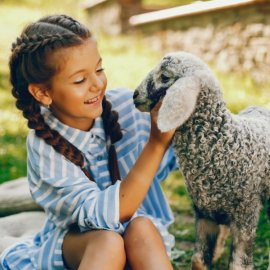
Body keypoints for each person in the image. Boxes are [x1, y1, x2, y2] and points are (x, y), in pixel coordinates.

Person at [0, 14, 177, 270]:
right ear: (43, 93)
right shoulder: (45, 147)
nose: (97, 84)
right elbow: (111, 215)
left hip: (138, 241)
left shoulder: (128, 108)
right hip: (81, 248)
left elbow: (188, 152)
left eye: (99, 69)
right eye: (80, 80)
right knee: (108, 242)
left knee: (142, 226)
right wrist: (156, 144)